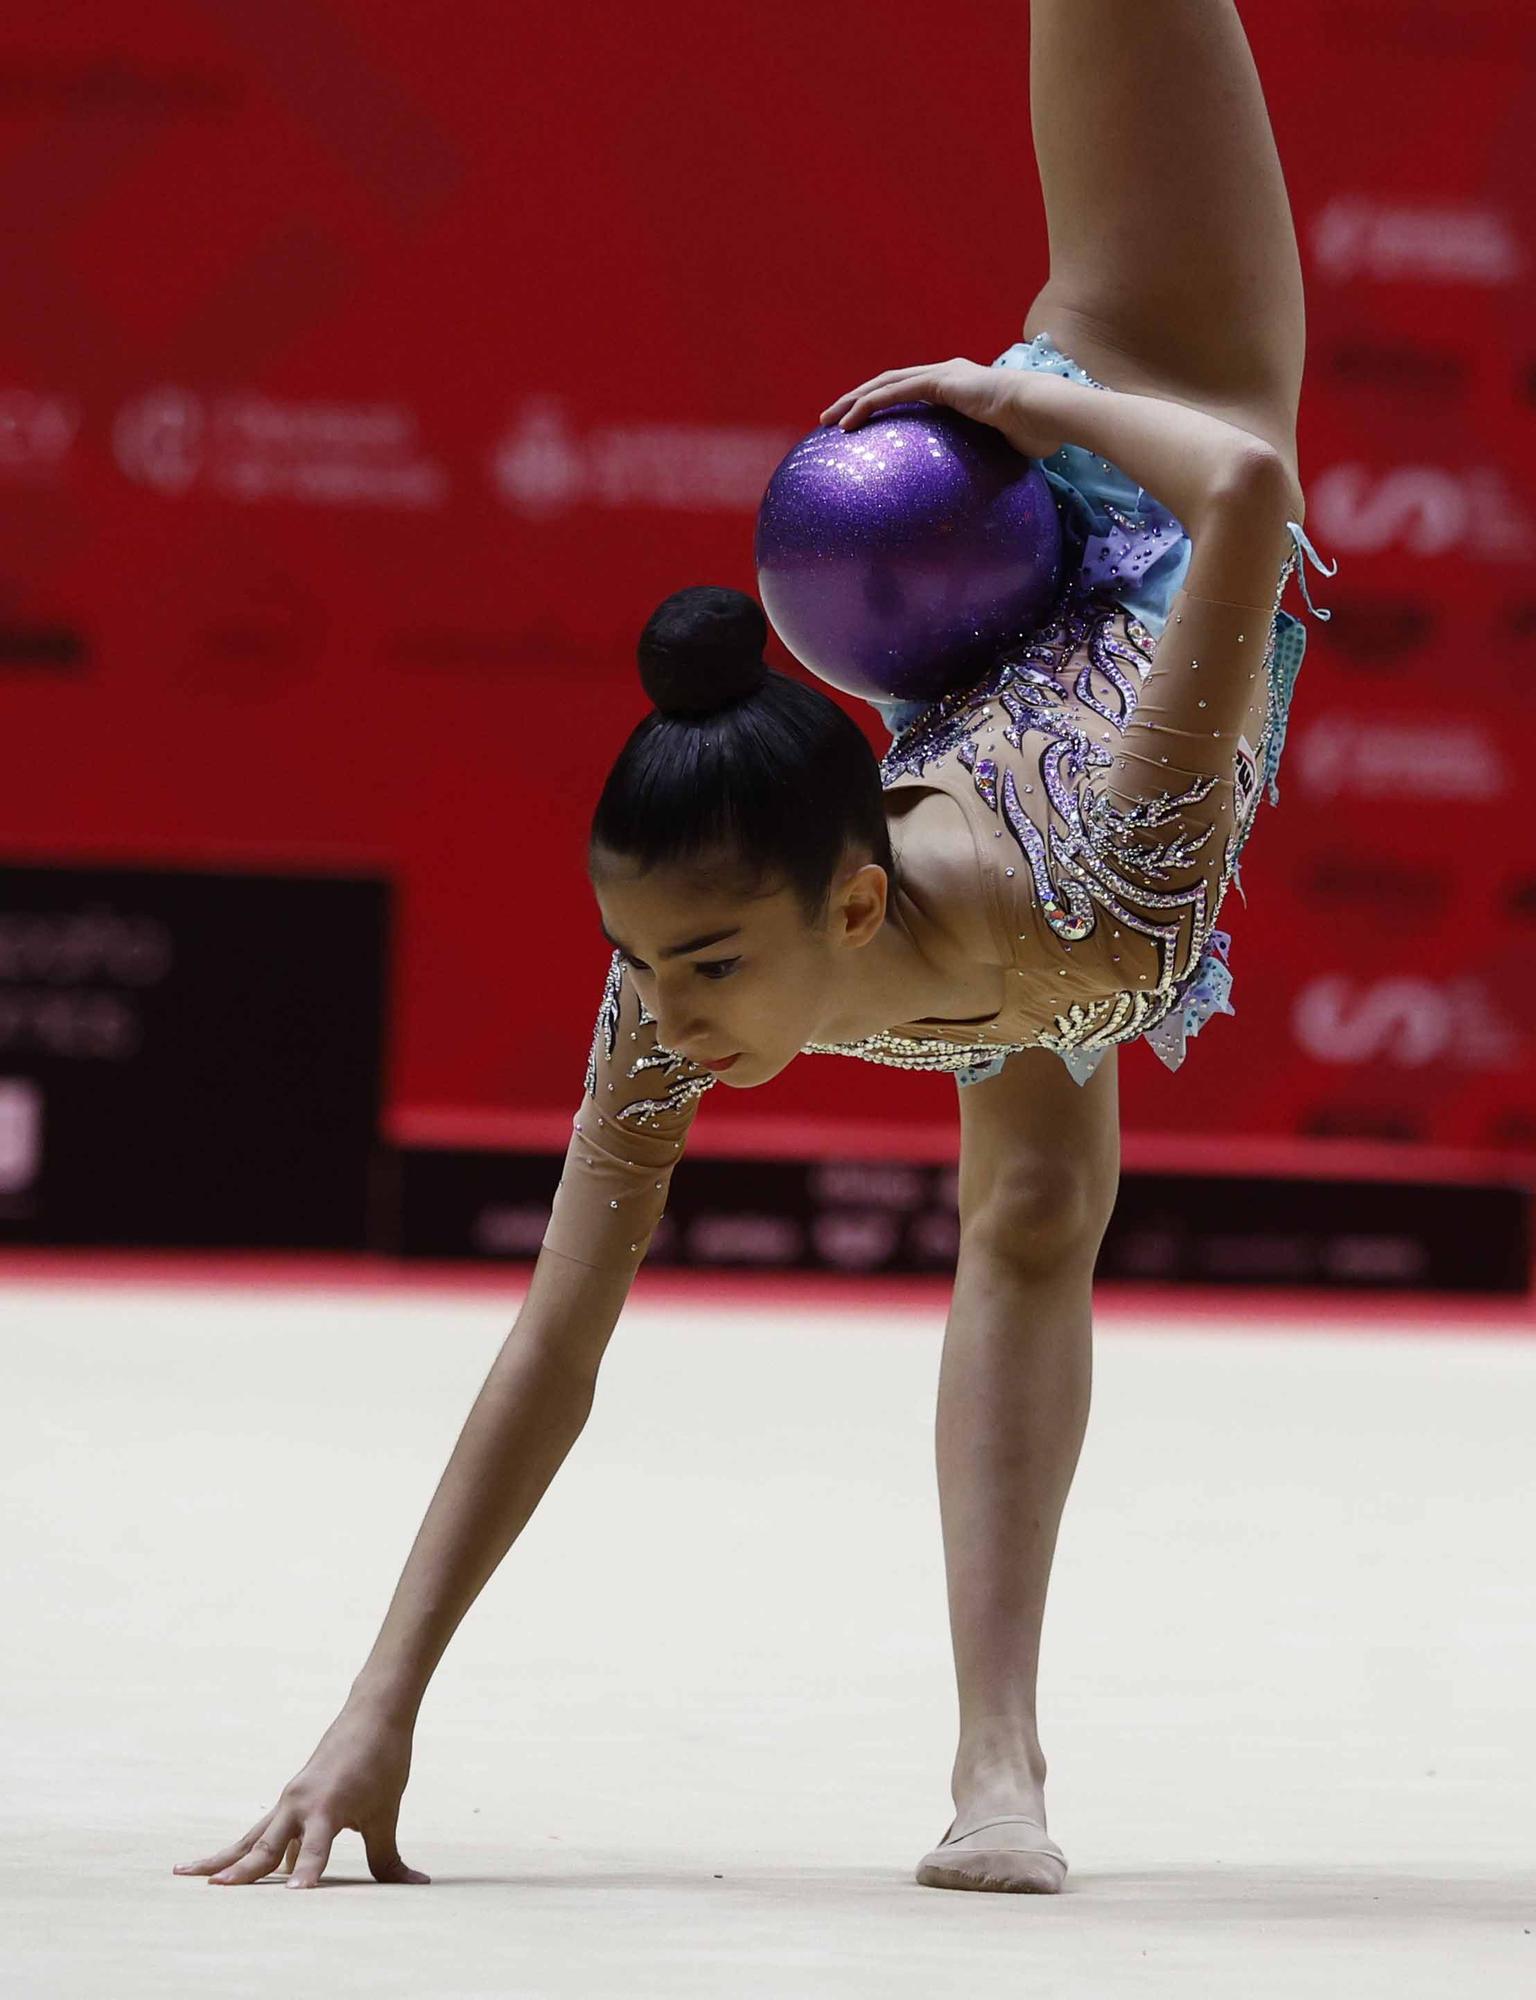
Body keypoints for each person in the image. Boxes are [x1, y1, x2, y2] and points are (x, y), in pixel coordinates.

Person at [174, 0, 1335, 1899]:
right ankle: (998, 1774)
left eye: (697, 964)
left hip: (1156, 390)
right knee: (1033, 1211)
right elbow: (556, 1341)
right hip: (998, 726)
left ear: (847, 896)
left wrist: (1025, 401)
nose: (652, 1016)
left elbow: (1245, 493)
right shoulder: (717, 976)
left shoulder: (1108, 872)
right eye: (636, 962)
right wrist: (375, 1709)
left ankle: (995, 1761)